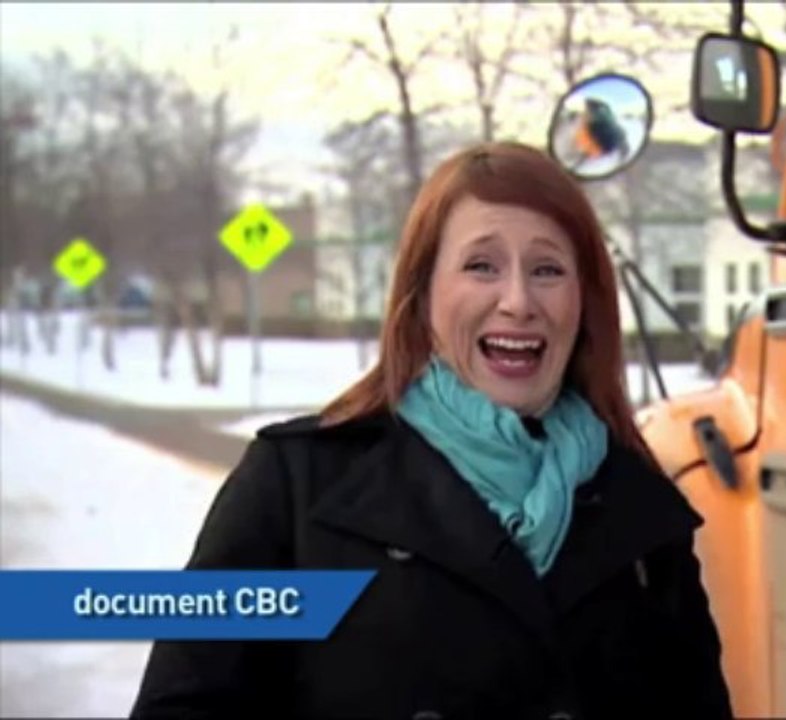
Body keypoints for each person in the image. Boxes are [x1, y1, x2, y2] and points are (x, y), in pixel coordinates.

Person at [131, 142, 733, 720]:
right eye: (481, 266)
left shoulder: (642, 515)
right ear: (422, 299)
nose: (518, 301)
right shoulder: (297, 490)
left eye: (548, 269)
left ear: (584, 302)